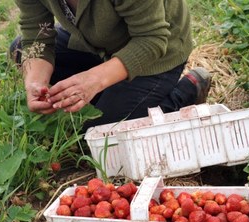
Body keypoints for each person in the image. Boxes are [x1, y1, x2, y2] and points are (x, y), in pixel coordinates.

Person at [12, 0, 212, 131]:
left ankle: (183, 95)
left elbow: (152, 39)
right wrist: (35, 83)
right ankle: (115, 96)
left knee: (103, 133)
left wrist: (94, 80)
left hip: (157, 49)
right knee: (19, 50)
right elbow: (38, 36)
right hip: (98, 44)